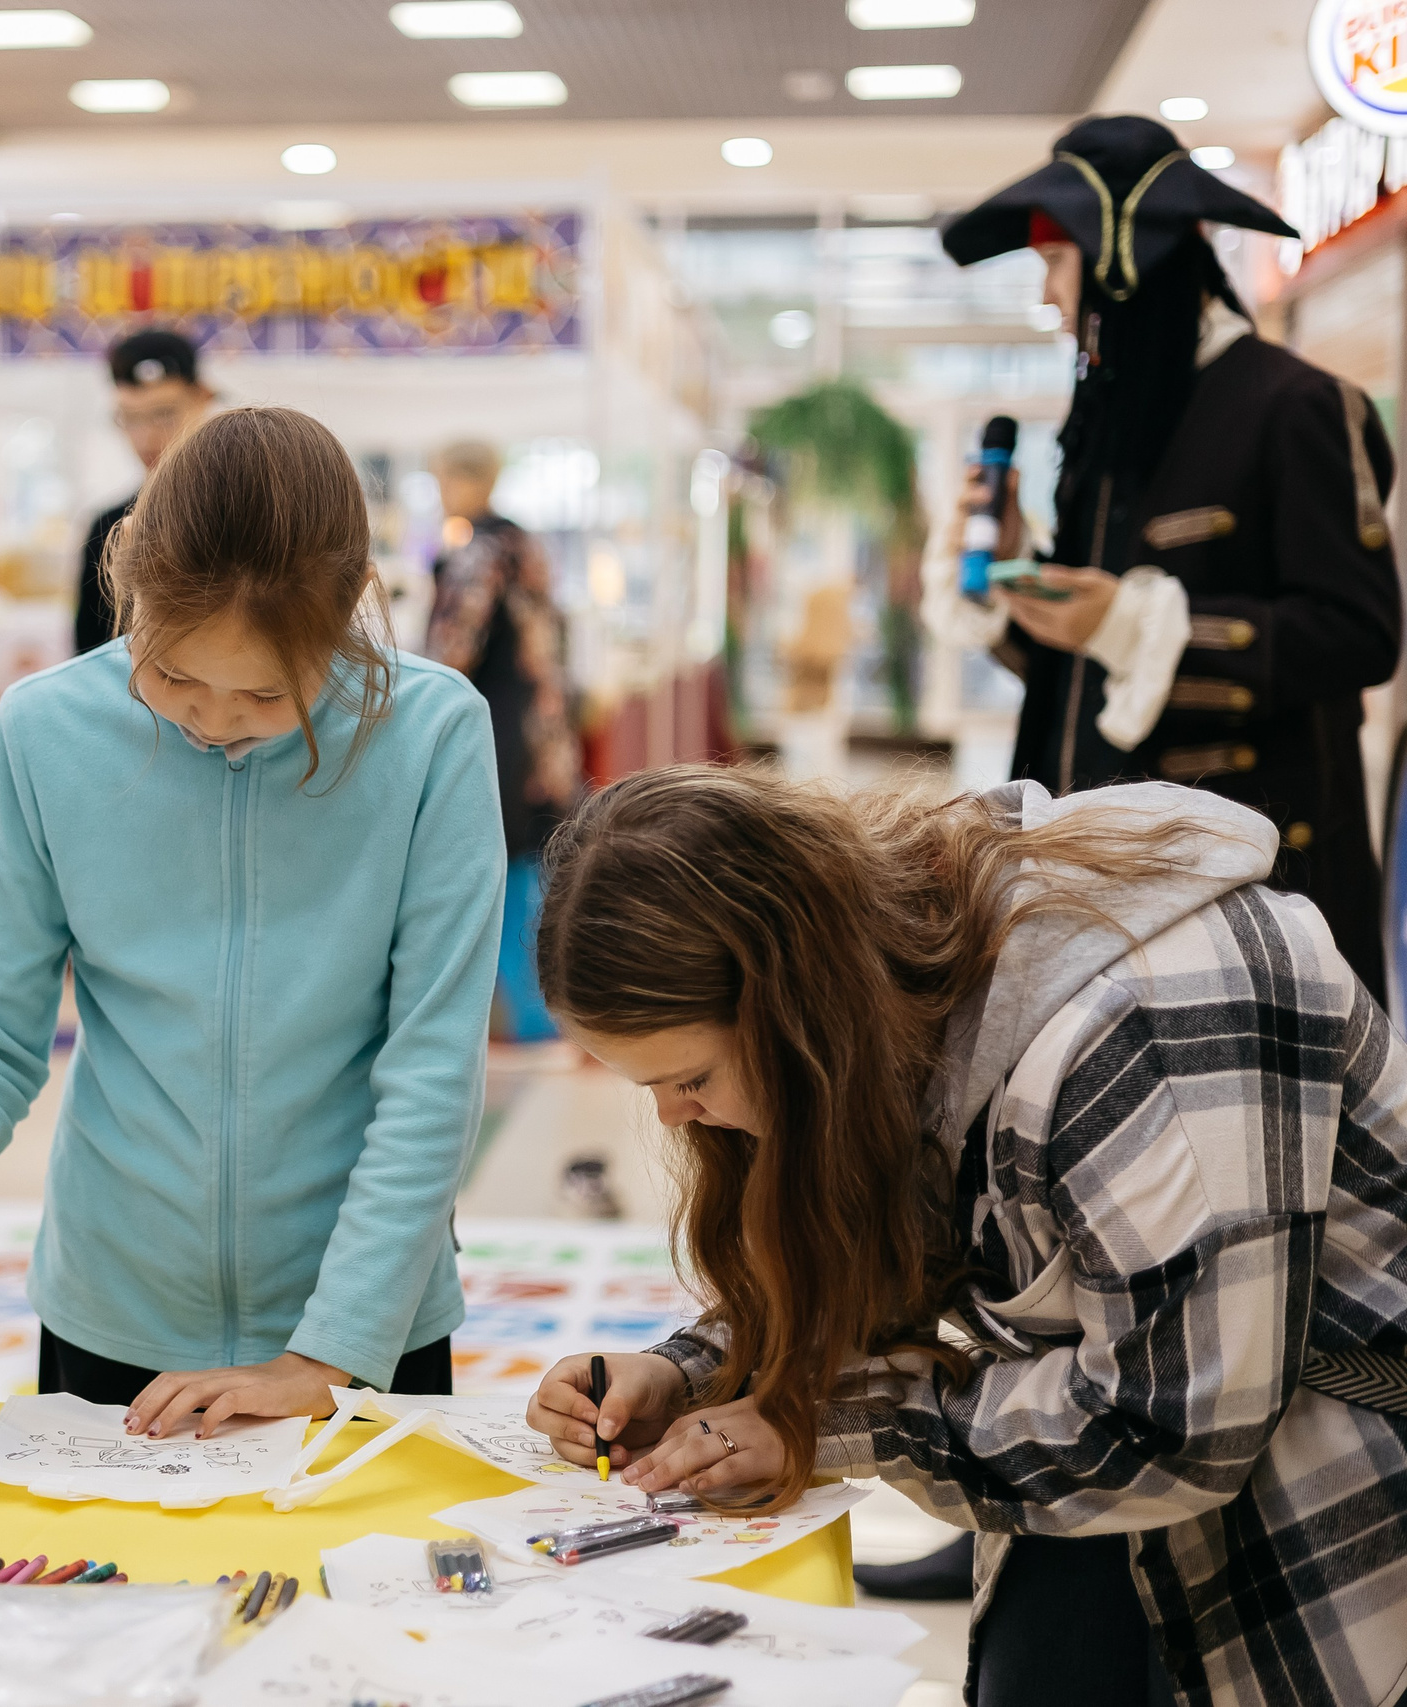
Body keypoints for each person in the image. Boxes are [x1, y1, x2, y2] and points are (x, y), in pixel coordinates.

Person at [523, 766, 1407, 1707]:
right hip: (1090, 1482)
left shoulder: (1141, 1025)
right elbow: (874, 1235)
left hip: (1306, 1512)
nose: (670, 1118)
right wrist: (694, 1369)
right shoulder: (897, 964)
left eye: (691, 1077)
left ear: (796, 1006)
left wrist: (824, 1424)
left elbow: (1175, 1427)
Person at [0, 406, 504, 1433]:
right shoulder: (44, 732)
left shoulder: (431, 737)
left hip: (364, 1324)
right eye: (171, 676)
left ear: (345, 624)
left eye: (259, 697)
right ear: (131, 594)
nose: (210, 719)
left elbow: (431, 1070)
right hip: (115, 1315)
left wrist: (324, 1354)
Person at [931, 114, 1399, 1002]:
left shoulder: (1296, 406)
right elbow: (1079, 682)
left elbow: (1360, 635)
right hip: (1104, 896)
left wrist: (1137, 626)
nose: (1049, 299)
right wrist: (1029, 588)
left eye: (1057, 263)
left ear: (1121, 262)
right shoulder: (1112, 433)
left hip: (1263, 908)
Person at [424, 439, 579, 1042]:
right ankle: (550, 1011)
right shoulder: (527, 545)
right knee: (537, 864)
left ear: (465, 482)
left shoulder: (476, 553)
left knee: (500, 862)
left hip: (495, 730)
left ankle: (526, 1020)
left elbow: (450, 653)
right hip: (543, 725)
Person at [73, 327, 214, 654]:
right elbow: (90, 658)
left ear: (203, 398)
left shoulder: (252, 505)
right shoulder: (108, 528)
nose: (146, 438)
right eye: (130, 419)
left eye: (164, 414)